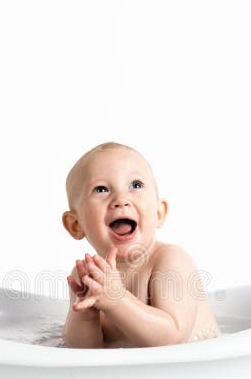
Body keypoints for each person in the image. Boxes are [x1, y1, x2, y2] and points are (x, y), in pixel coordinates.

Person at [61, 141, 221, 348]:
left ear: (158, 213)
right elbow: (82, 350)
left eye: (135, 185)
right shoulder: (87, 275)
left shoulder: (170, 260)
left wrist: (117, 301)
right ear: (76, 225)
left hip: (191, 369)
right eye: (101, 189)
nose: (121, 199)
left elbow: (173, 338)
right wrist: (86, 316)